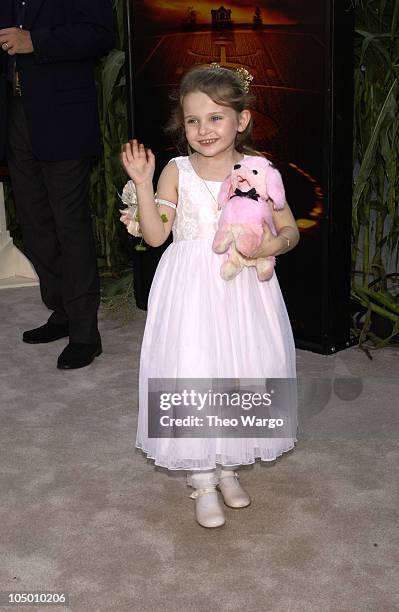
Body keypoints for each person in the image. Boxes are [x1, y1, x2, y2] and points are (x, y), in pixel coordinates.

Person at [121, 65, 300, 528]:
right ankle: (201, 478)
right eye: (193, 120)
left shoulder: (258, 171)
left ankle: (229, 466)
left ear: (240, 120)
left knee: (242, 369)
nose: (204, 129)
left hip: (244, 290)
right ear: (182, 124)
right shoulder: (176, 171)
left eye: (216, 118)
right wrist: (143, 184)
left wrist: (271, 245)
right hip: (190, 291)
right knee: (194, 369)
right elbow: (157, 236)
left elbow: (289, 229)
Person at [0, 1, 115, 369]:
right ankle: (62, 312)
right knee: (34, 223)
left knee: (70, 224)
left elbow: (100, 34)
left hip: (63, 115)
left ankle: (85, 334)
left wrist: (37, 41)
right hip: (16, 113)